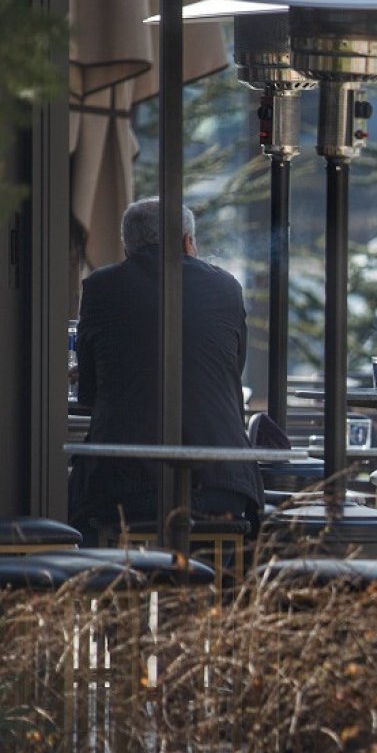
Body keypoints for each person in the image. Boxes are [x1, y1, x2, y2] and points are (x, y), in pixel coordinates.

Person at [68, 198, 263, 539]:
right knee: (222, 557)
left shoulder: (101, 287)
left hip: (125, 489)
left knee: (80, 514)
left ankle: (113, 576)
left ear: (127, 249)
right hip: (223, 485)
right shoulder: (227, 287)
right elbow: (231, 373)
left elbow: (89, 394)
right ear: (188, 242)